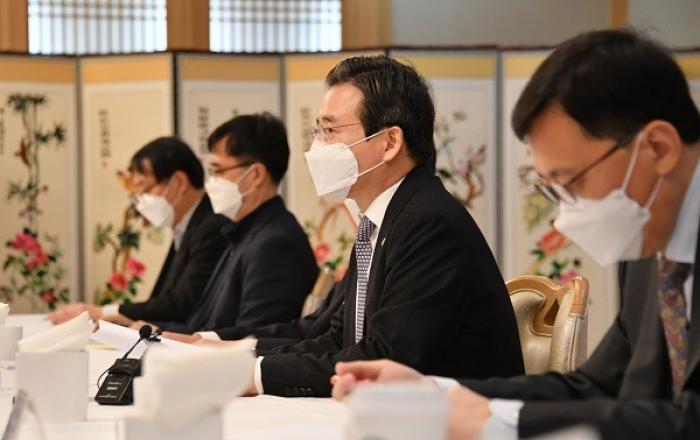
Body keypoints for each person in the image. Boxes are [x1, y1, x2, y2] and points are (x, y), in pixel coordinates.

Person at [331, 29, 700, 440]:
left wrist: (502, 422)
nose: (564, 214)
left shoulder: (646, 230)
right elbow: (597, 385)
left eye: (571, 181)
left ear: (659, 148)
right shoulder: (649, 243)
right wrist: (434, 392)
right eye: (551, 188)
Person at [242, 55, 524, 398]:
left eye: (330, 130)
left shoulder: (428, 224)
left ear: (389, 143)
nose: (317, 146)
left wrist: (253, 375)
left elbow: (385, 356)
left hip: (452, 418)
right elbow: (340, 339)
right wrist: (247, 364)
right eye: (319, 131)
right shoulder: (380, 221)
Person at [151, 113, 319, 333]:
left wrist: (165, 334)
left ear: (255, 174)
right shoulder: (246, 232)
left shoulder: (275, 243)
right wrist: (156, 330)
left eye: (218, 171)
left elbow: (253, 338)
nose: (211, 182)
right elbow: (204, 322)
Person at [48, 137, 229, 326]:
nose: (140, 200)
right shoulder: (188, 225)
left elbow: (182, 303)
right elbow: (164, 298)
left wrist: (105, 312)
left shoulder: (211, 227)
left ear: (179, 182)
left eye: (144, 188)